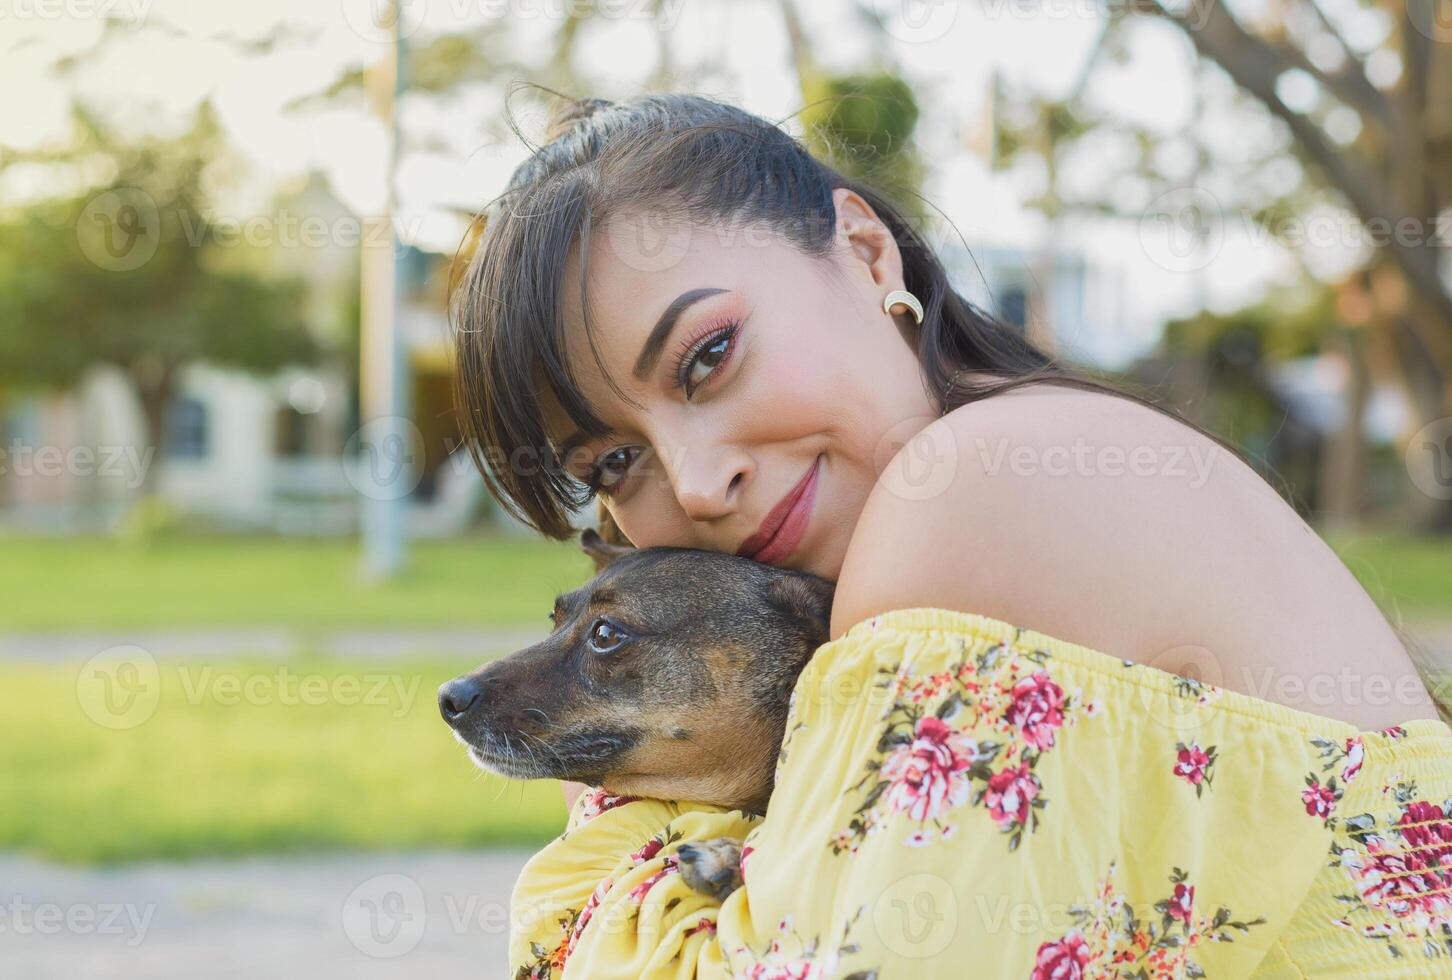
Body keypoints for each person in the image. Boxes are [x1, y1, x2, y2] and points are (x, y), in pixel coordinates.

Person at [452, 92, 1452, 978]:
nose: (703, 482)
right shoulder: (1060, 444)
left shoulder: (969, 489)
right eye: (613, 464)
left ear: (863, 249)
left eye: (709, 355)